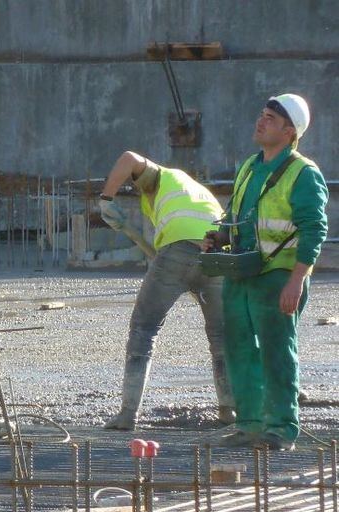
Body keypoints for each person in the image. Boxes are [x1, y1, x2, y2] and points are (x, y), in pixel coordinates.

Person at [203, 94, 328, 451]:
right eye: (262, 114)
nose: (261, 121)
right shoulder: (249, 166)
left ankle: (282, 428)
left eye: (270, 118)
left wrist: (297, 279)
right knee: (239, 349)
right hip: (242, 272)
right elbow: (235, 216)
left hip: (278, 274)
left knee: (275, 350)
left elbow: (313, 229)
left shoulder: (303, 173)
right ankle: (250, 424)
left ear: (290, 131)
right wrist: (219, 237)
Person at [99, 151, 235, 430]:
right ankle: (228, 410)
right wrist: (128, 227)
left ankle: (127, 414)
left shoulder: (163, 177)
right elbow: (163, 255)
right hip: (217, 253)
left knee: (144, 328)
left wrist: (106, 199)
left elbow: (127, 158)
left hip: (180, 251)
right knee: (222, 337)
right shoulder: (195, 194)